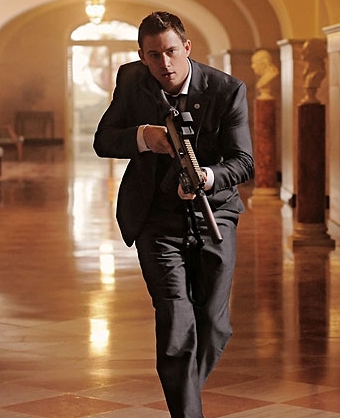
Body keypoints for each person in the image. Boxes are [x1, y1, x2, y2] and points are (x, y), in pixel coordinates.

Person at [93, 11, 254, 418]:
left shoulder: (226, 89)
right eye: (153, 55)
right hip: (155, 219)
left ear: (186, 47)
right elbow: (103, 140)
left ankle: (185, 396)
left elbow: (244, 162)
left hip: (215, 216)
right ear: (142, 57)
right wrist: (144, 137)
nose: (163, 63)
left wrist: (207, 177)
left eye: (170, 52)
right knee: (175, 323)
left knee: (214, 325)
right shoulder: (131, 80)